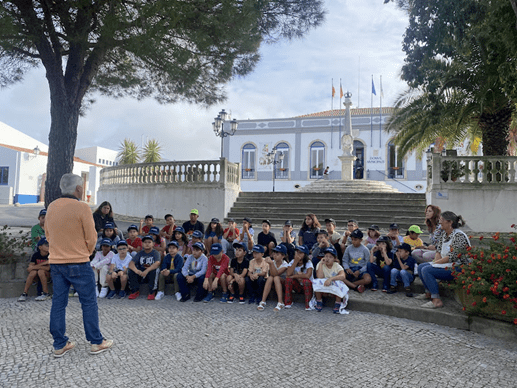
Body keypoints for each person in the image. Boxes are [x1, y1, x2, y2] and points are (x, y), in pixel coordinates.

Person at [45, 173, 112, 357]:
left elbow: (48, 235)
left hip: (57, 263)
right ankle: (96, 342)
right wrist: (86, 252)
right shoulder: (82, 208)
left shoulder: (51, 207)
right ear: (79, 189)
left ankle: (59, 344)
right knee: (88, 302)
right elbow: (91, 238)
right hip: (79, 261)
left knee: (58, 303)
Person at [417, 211, 471, 309]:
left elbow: (452, 257)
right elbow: (438, 251)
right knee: (421, 267)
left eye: (442, 220)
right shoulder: (444, 234)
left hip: (459, 267)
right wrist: (434, 263)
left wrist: (435, 264)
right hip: (448, 264)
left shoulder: (459, 236)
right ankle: (428, 293)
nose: (439, 222)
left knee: (427, 270)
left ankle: (436, 300)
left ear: (449, 222)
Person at [314, 246, 348, 313]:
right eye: (326, 256)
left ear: (334, 259)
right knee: (317, 281)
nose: (327, 259)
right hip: (324, 286)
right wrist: (321, 263)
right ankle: (319, 301)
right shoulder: (320, 264)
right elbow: (320, 277)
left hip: (333, 286)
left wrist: (331, 279)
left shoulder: (337, 265)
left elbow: (342, 276)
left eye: (330, 257)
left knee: (339, 283)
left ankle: (337, 303)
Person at [127, 235, 161, 300]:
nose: (147, 244)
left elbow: (157, 263)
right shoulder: (140, 253)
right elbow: (131, 263)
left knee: (155, 270)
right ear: (142, 244)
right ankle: (135, 291)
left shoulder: (156, 253)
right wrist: (137, 271)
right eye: (145, 242)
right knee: (131, 270)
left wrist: (147, 270)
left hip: (150, 274)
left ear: (153, 244)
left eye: (149, 242)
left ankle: (152, 291)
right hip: (141, 274)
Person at [18, 237, 51, 302]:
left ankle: (46, 293)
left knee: (41, 271)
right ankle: (24, 293)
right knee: (33, 272)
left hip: (48, 275)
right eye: (46, 245)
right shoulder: (36, 255)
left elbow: (48, 268)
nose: (48, 246)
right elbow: (29, 269)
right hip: (37, 276)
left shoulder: (51, 255)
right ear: (40, 247)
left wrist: (35, 267)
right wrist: (43, 264)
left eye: (49, 244)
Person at [258, 244, 289, 312]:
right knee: (270, 278)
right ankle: (263, 301)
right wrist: (271, 263)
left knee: (276, 278)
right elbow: (271, 274)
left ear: (283, 256)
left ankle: (280, 302)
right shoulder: (273, 262)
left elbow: (276, 274)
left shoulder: (285, 264)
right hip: (273, 283)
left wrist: (271, 264)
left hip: (283, 284)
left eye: (277, 254)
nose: (274, 255)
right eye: (274, 253)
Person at [284, 245, 314, 310]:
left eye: (300, 253)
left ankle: (308, 304)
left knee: (306, 281)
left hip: (308, 287)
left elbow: (307, 275)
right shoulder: (293, 261)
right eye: (297, 252)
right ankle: (288, 302)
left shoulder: (308, 263)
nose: (298, 254)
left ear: (305, 254)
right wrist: (295, 262)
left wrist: (295, 276)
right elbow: (288, 274)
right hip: (298, 286)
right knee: (288, 279)